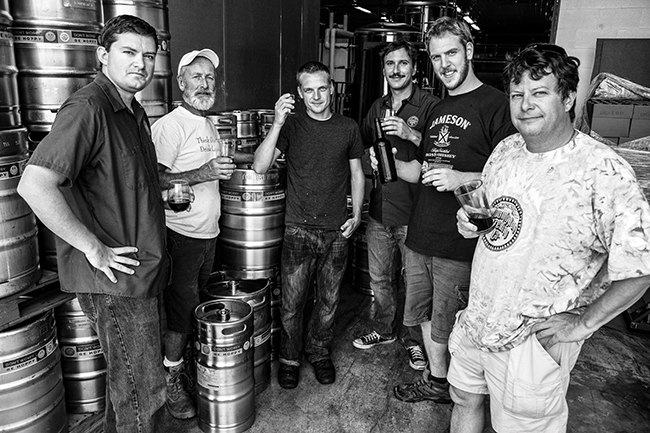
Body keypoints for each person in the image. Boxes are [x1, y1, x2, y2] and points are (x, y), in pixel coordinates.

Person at [449, 43, 650, 433]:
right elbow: (497, 218)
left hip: (531, 340)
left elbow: (641, 267)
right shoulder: (506, 150)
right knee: (464, 399)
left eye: (540, 93)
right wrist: (469, 223)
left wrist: (582, 326)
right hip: (477, 320)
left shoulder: (603, 170)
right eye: (517, 94)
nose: (525, 104)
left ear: (569, 97)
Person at [17, 15, 170, 432]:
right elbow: (34, 185)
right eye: (129, 52)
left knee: (127, 389)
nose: (141, 63)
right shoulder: (89, 107)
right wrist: (93, 247)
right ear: (103, 55)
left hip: (140, 272)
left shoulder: (130, 110)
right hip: (116, 280)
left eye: (149, 55)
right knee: (146, 392)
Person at [385, 17, 517, 403]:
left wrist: (461, 177)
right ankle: (436, 380)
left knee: (450, 321)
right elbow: (425, 169)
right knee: (424, 316)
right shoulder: (438, 107)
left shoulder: (496, 104)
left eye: (452, 53)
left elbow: (512, 176)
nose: (444, 64)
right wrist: (393, 163)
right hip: (421, 231)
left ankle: (459, 391)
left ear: (469, 51)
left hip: (459, 240)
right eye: (436, 56)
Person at [253, 61, 365, 389]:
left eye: (322, 88)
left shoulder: (348, 127)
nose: (317, 96)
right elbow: (260, 166)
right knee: (292, 302)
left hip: (336, 230)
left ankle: (318, 352)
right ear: (300, 94)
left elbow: (357, 173)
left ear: (332, 89)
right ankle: (289, 359)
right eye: (309, 90)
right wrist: (276, 122)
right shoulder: (291, 126)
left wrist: (356, 214)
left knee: (329, 300)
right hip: (298, 229)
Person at [151, 48, 248, 419]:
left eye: (209, 78)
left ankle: (187, 368)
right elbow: (154, 178)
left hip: (208, 235)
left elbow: (210, 166)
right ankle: (172, 380)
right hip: (181, 237)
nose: (205, 84)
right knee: (179, 314)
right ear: (181, 82)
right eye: (197, 77)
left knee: (194, 309)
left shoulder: (206, 123)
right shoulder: (170, 125)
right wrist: (202, 173)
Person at [352, 40, 439, 372]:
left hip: (414, 213)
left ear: (414, 68)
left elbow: (443, 155)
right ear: (385, 69)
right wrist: (368, 158)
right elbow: (361, 148)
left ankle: (414, 341)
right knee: (380, 279)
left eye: (403, 63)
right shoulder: (377, 107)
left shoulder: (430, 106)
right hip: (380, 211)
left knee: (416, 284)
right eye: (390, 64)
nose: (396, 70)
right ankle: (385, 330)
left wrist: (411, 134)